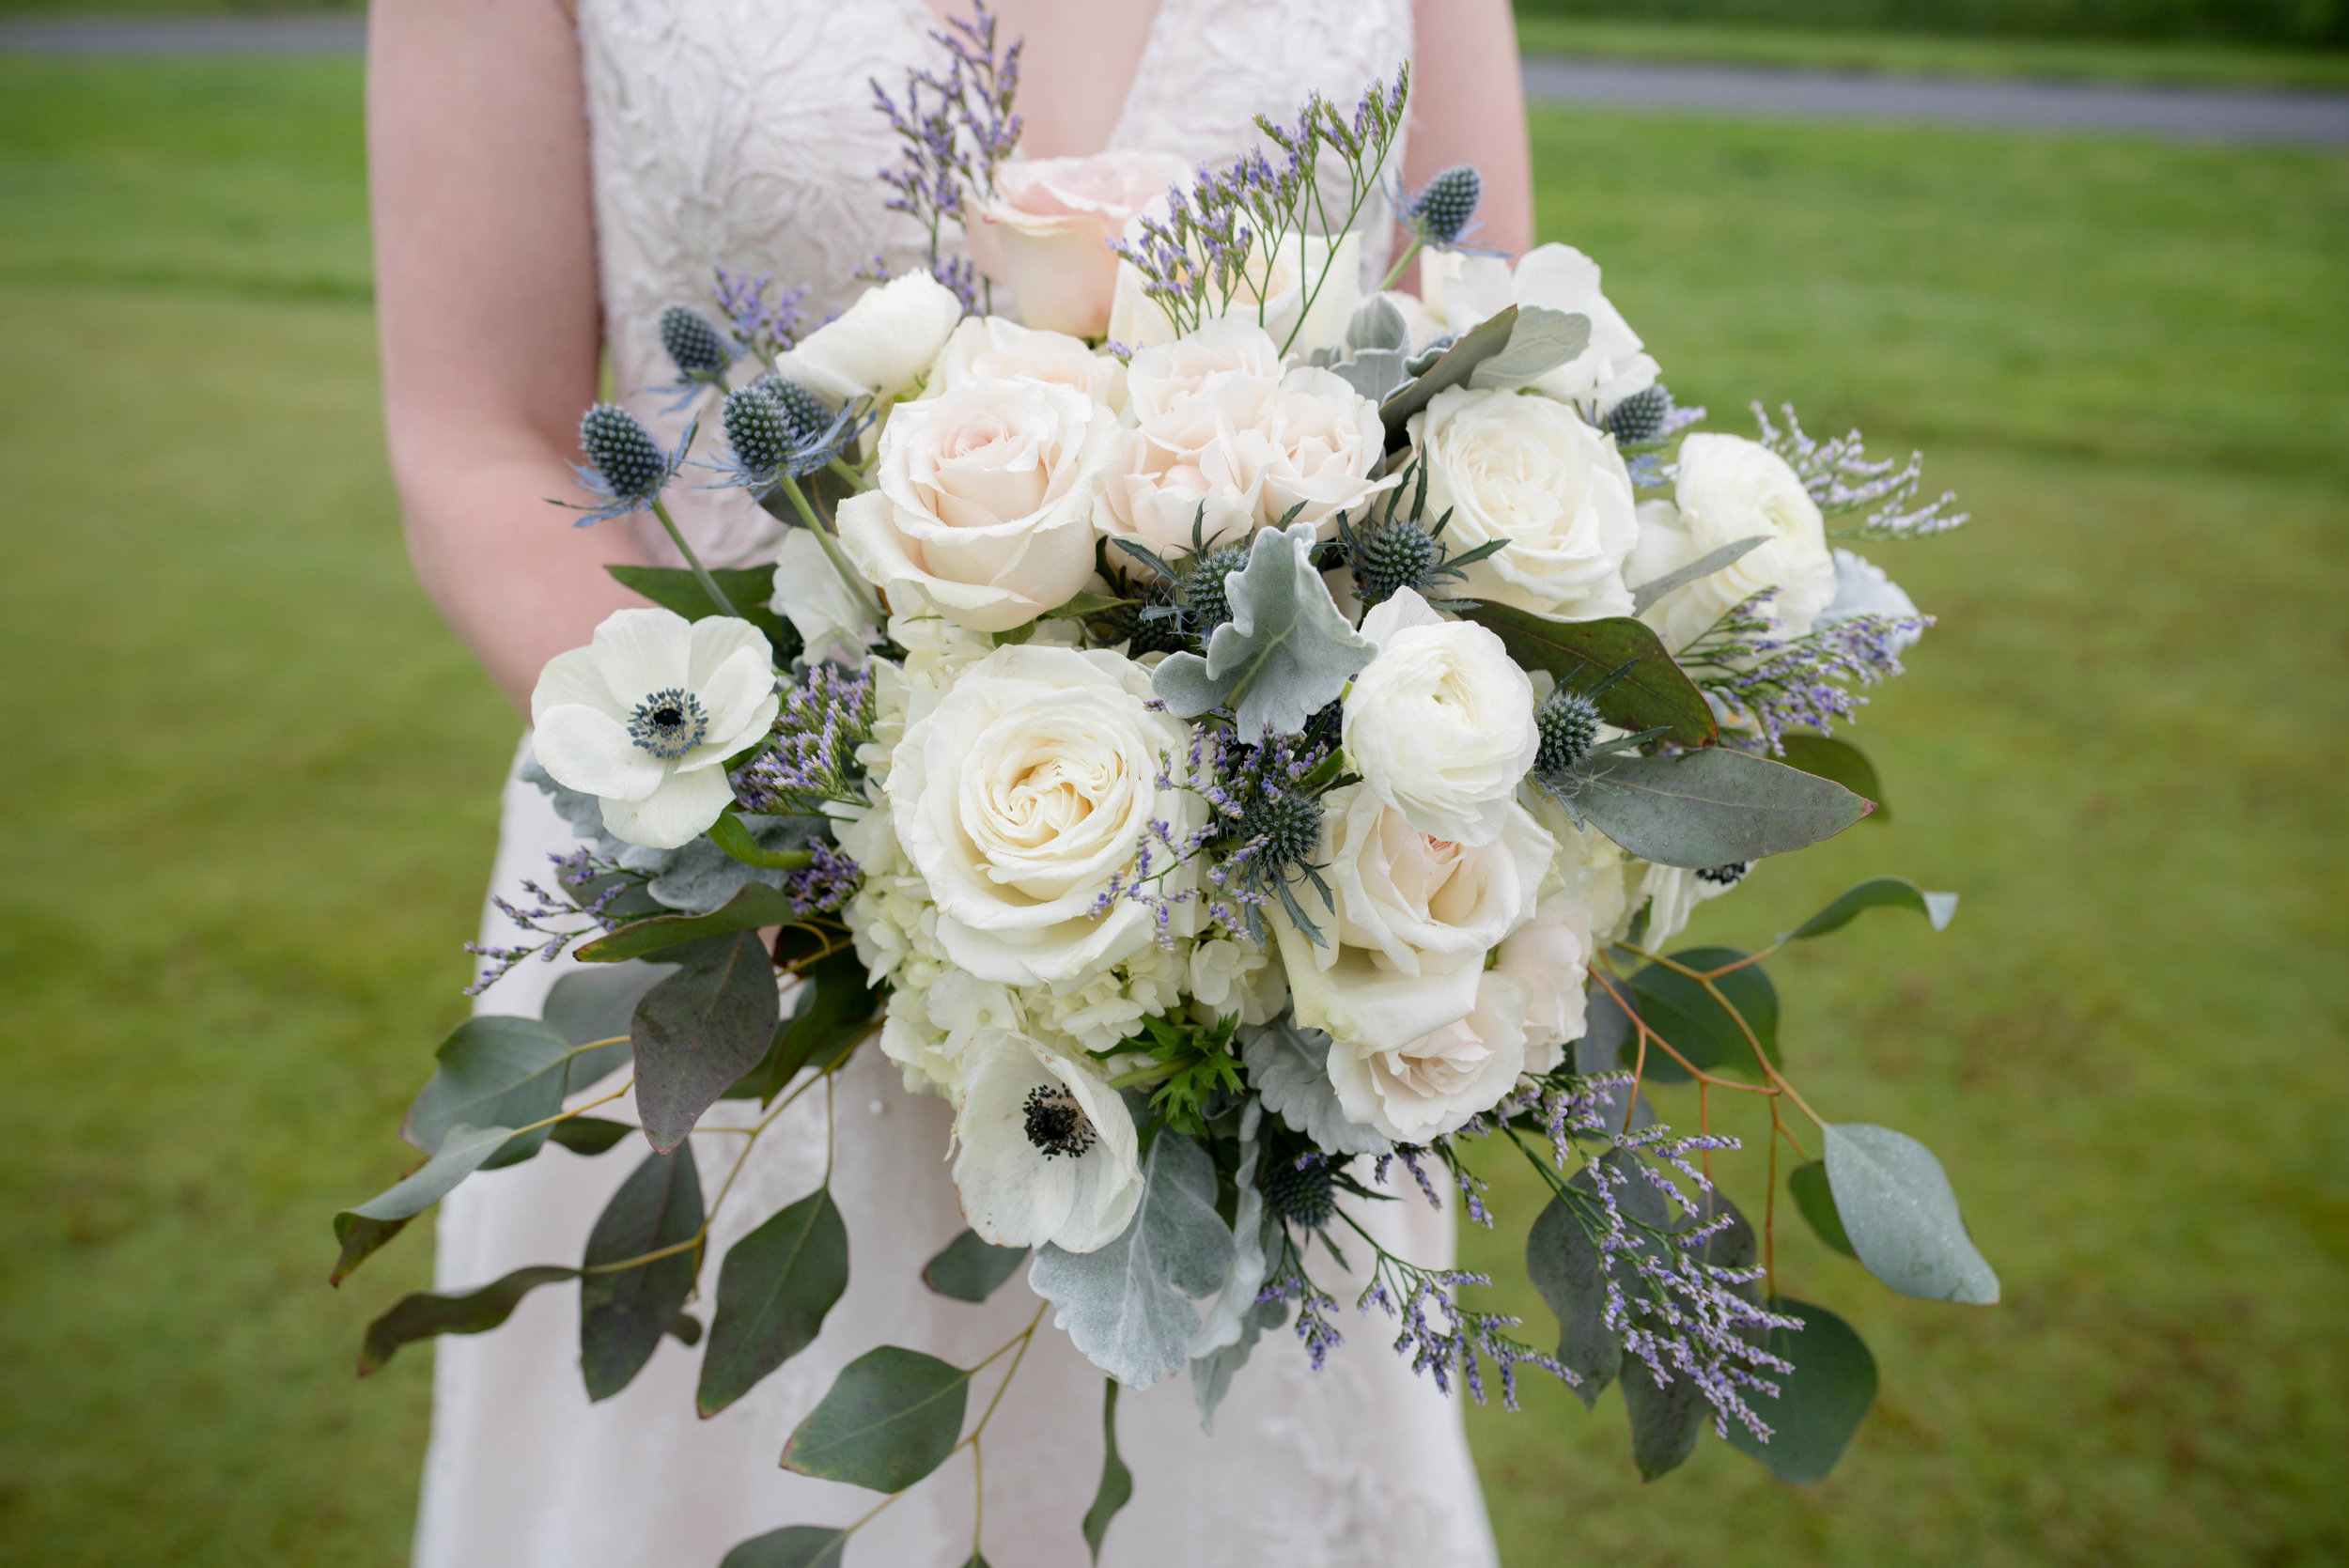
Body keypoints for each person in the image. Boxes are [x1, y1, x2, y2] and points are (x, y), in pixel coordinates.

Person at [370, 2, 1535, 1563]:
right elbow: (478, 433)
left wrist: (1280, 839)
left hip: (1264, 969)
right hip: (733, 927)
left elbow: (1475, 380)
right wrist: (808, 812)